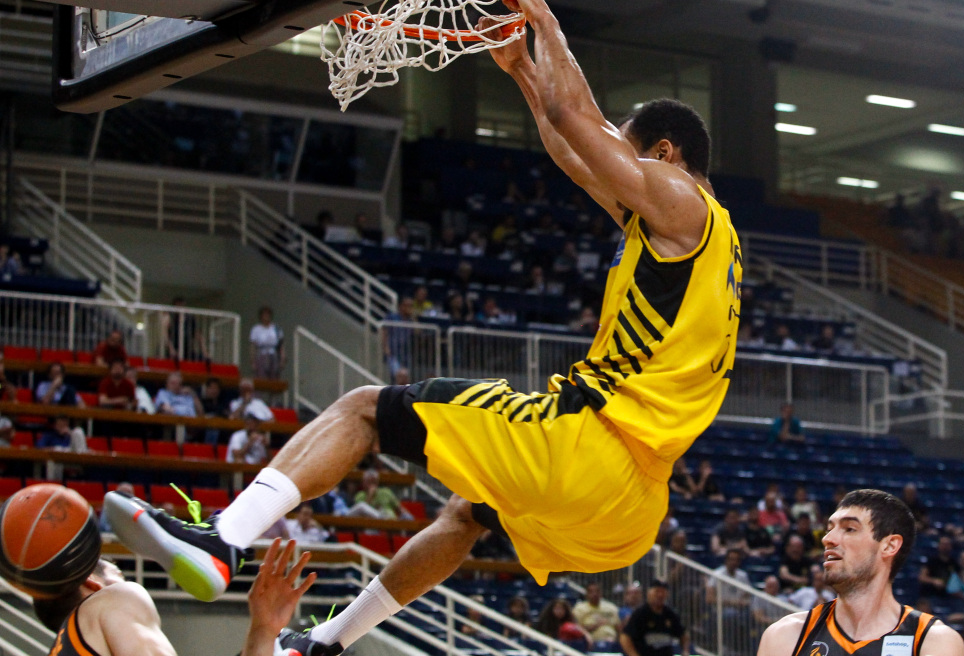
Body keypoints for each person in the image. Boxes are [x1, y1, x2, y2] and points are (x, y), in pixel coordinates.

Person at [117, 5, 744, 656]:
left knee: (364, 411)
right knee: (466, 515)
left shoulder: (679, 198)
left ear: (666, 155)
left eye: (632, 146)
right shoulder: (706, 242)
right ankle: (324, 643)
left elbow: (576, 121)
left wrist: (546, 24)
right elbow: (577, 154)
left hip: (585, 447)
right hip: (632, 510)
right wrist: (526, 71)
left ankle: (223, 539)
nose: (618, 156)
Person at [29, 534, 314, 656]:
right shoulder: (109, 600)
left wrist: (262, 632)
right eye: (118, 573)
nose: (124, 582)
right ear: (93, 583)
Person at [757, 489, 963, 656]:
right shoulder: (786, 636)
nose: (828, 538)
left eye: (849, 529)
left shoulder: (932, 641)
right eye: (830, 528)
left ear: (889, 546)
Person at [622, 580, 689, 656]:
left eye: (663, 592)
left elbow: (683, 634)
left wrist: (685, 650)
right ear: (649, 593)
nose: (660, 595)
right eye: (657, 591)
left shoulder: (670, 614)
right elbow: (625, 637)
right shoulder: (640, 613)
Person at [250, 306, 285, 380]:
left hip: (274, 355)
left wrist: (282, 359)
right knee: (261, 376)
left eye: (268, 314)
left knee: (274, 376)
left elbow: (281, 345)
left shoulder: (276, 328)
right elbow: (253, 346)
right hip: (261, 354)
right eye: (264, 314)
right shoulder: (256, 329)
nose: (266, 316)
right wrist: (253, 361)